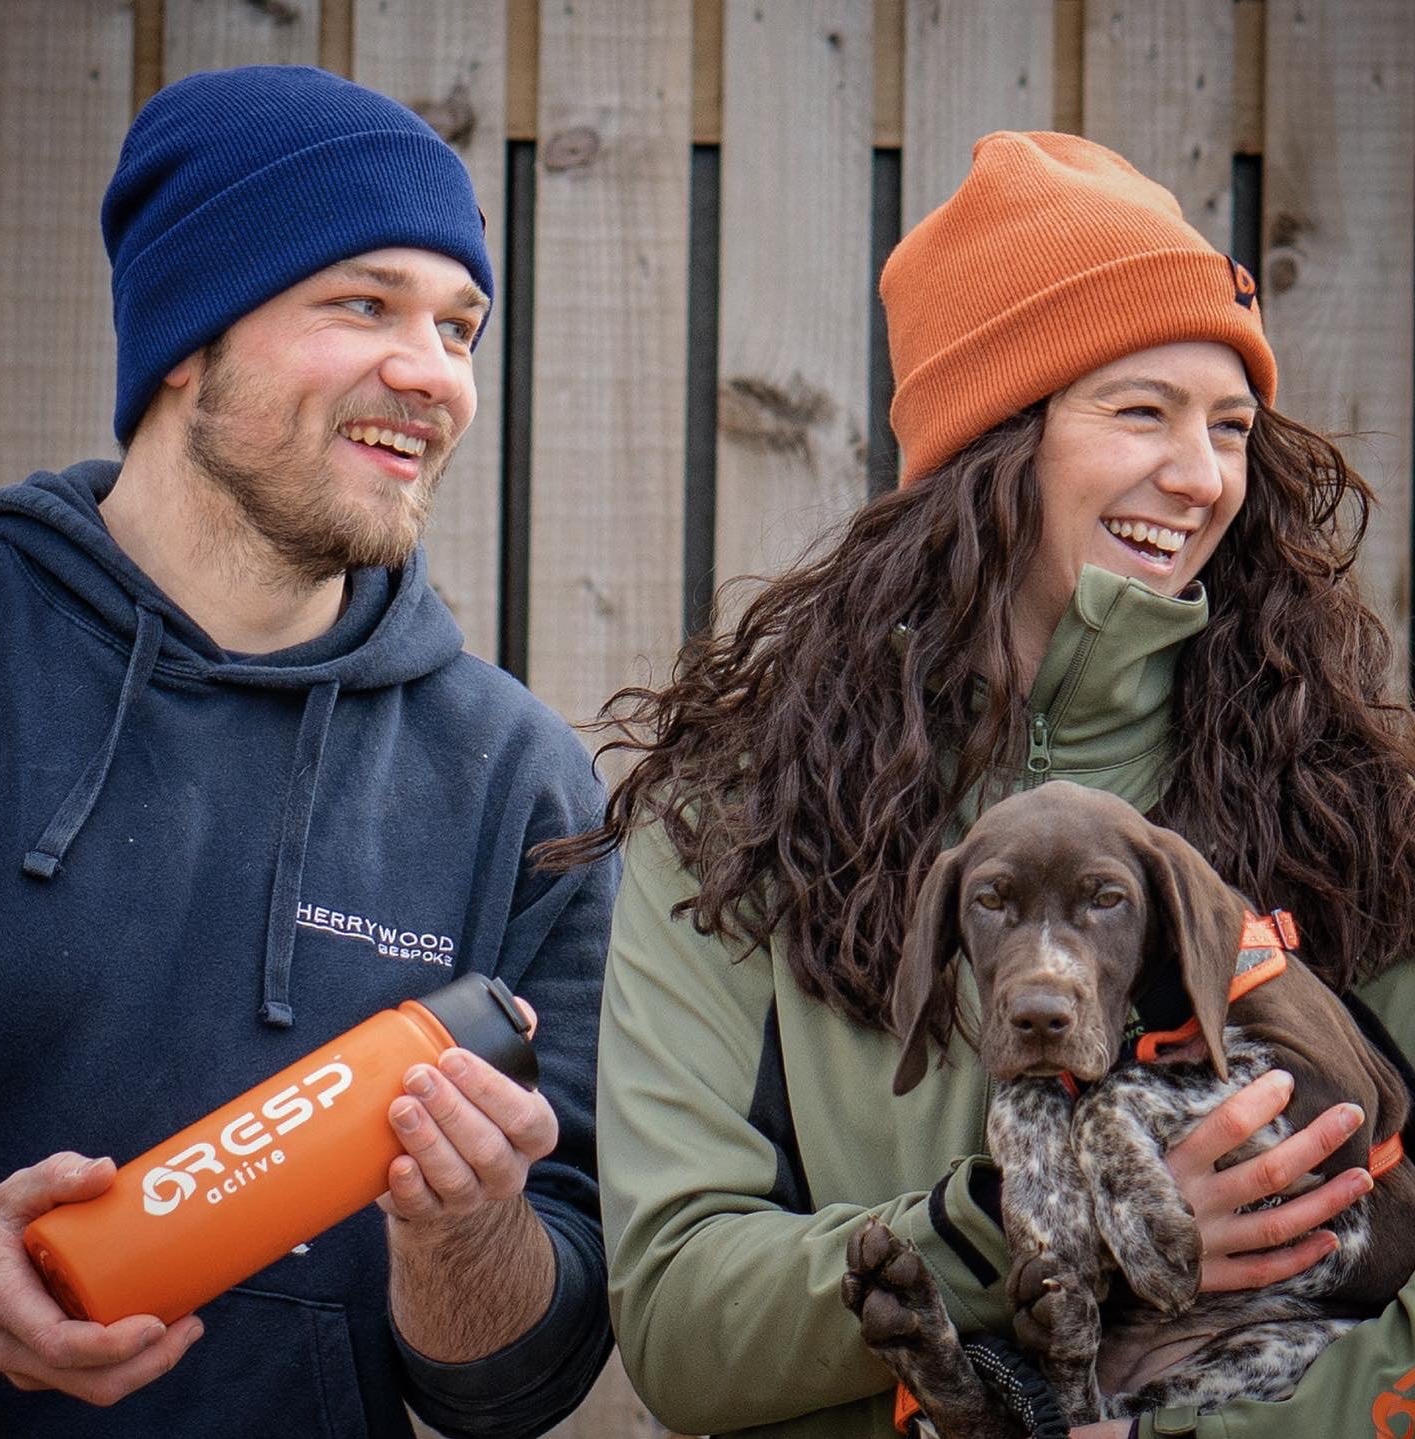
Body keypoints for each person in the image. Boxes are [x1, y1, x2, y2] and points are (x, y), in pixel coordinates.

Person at [550, 132, 1415, 1438]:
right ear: (992, 447)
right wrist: (1027, 1225)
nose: (1202, 476)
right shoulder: (738, 818)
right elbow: (679, 1317)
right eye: (1140, 411)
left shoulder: (1346, 800)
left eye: (1230, 426)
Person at [0, 66, 617, 1439]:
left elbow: (515, 1385)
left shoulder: (516, 779)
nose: (433, 372)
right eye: (365, 303)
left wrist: (463, 1240)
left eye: (461, 327)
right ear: (188, 344)